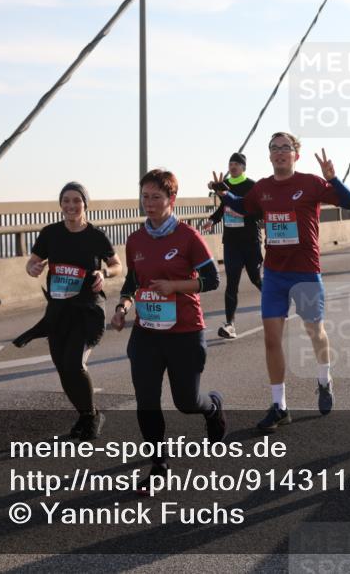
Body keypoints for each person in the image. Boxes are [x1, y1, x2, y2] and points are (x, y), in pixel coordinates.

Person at [208, 133, 350, 432]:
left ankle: (324, 378)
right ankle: (279, 406)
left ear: (295, 155)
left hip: (305, 272)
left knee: (315, 332)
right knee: (271, 339)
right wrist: (223, 192)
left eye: (285, 148)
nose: (279, 152)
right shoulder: (263, 188)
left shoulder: (311, 183)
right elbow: (244, 206)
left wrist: (333, 178)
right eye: (274, 148)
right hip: (275, 274)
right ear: (269, 156)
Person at [111, 169, 226, 486]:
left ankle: (212, 408)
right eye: (145, 197)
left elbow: (212, 280)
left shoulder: (188, 237)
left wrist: (175, 286)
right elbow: (132, 282)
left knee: (186, 402)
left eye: (156, 197)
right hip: (146, 333)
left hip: (184, 332)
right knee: (146, 401)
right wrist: (122, 307)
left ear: (171, 199)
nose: (149, 203)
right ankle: (158, 464)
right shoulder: (135, 240)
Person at [15, 182, 121, 440]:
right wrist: (32, 268)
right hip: (59, 311)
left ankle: (92, 415)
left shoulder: (96, 235)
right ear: (60, 204)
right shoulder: (50, 233)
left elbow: (117, 265)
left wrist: (104, 273)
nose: (71, 206)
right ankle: (86, 415)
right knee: (62, 366)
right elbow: (33, 262)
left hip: (88, 310)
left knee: (74, 363)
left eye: (76, 200)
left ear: (85, 204)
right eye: (66, 200)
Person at [202, 153, 263, 339]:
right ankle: (230, 325)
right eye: (231, 163)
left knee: (255, 278)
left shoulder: (252, 186)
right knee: (232, 283)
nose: (233, 166)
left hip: (250, 241)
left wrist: (242, 210)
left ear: (244, 167)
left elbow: (259, 212)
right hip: (231, 242)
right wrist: (212, 220)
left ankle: (277, 302)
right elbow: (223, 208)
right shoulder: (224, 185)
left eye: (237, 164)